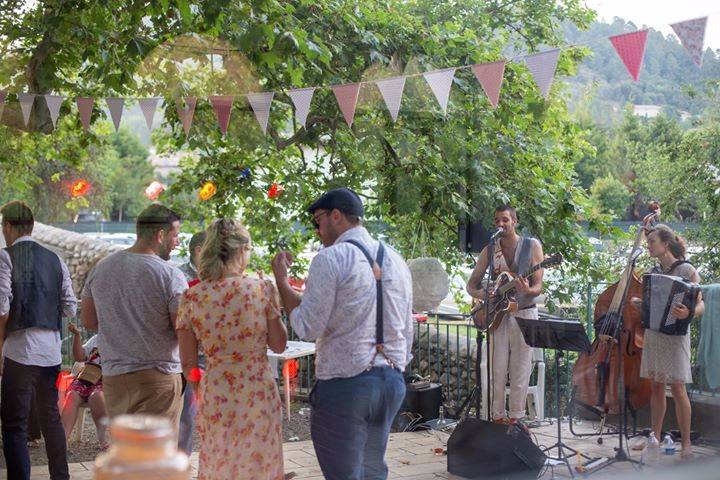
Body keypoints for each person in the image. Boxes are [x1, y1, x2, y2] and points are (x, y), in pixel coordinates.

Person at [271, 187, 414, 480]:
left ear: (336, 216)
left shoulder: (331, 258)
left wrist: (282, 281)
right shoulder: (397, 260)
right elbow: (407, 327)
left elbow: (307, 326)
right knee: (373, 471)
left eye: (318, 221)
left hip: (347, 385)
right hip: (392, 380)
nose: (317, 230)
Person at [176, 218, 287, 480]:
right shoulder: (262, 289)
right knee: (261, 464)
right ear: (242, 250)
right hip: (257, 390)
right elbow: (279, 344)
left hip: (216, 392)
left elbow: (188, 364)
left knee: (221, 463)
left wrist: (200, 388)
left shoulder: (191, 297)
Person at [81, 204, 187, 427]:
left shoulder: (101, 269)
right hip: (158, 378)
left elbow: (89, 321)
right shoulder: (170, 275)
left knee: (127, 453)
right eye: (175, 235)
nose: (177, 242)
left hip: (114, 379)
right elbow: (181, 330)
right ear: (160, 235)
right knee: (157, 455)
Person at [0, 200, 77, 480]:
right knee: (51, 419)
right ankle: (60, 476)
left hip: (18, 352)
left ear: (7, 226)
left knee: (14, 425)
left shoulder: (5, 257)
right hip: (51, 354)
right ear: (32, 227)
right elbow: (70, 307)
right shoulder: (55, 258)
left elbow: (1, 308)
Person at [631, 223, 705, 458]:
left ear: (665, 244)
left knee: (678, 387)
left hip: (675, 336)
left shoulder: (686, 270)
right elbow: (653, 306)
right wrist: (639, 304)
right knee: (656, 386)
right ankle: (654, 438)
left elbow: (701, 303)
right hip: (655, 333)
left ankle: (685, 445)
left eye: (652, 241)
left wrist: (689, 313)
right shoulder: (653, 273)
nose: (649, 245)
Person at [466, 205, 544, 424]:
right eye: (497, 221)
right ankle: (497, 418)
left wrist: (527, 290)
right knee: (496, 369)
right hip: (497, 317)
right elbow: (471, 286)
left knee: (520, 370)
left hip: (525, 313)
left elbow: (538, 287)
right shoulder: (490, 250)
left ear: (515, 222)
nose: (501, 224)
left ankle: (516, 420)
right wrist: (485, 294)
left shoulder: (532, 246)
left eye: (505, 220)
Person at [177, 230, 206, 454]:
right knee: (186, 414)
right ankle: (181, 463)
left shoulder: (217, 275)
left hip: (212, 356)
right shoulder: (179, 276)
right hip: (187, 357)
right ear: (198, 250)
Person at [60, 323, 108, 448]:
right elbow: (79, 357)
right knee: (71, 395)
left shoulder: (121, 340)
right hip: (86, 378)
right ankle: (61, 442)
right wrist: (77, 335)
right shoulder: (96, 338)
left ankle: (105, 440)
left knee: (96, 396)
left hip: (107, 379)